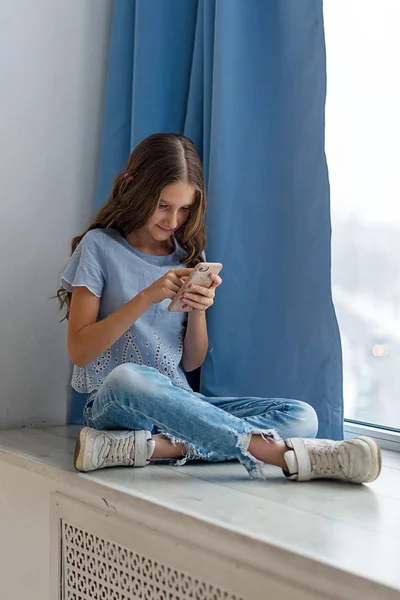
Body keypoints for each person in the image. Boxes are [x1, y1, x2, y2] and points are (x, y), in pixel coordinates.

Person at [57, 133, 381, 484]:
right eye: (164, 205)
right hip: (118, 404)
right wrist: (146, 297)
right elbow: (80, 350)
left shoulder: (188, 258)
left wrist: (198, 310)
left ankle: (151, 448)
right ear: (133, 187)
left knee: (301, 416)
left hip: (180, 406)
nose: (174, 220)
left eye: (184, 208)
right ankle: (277, 455)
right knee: (129, 376)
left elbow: (191, 363)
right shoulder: (99, 248)